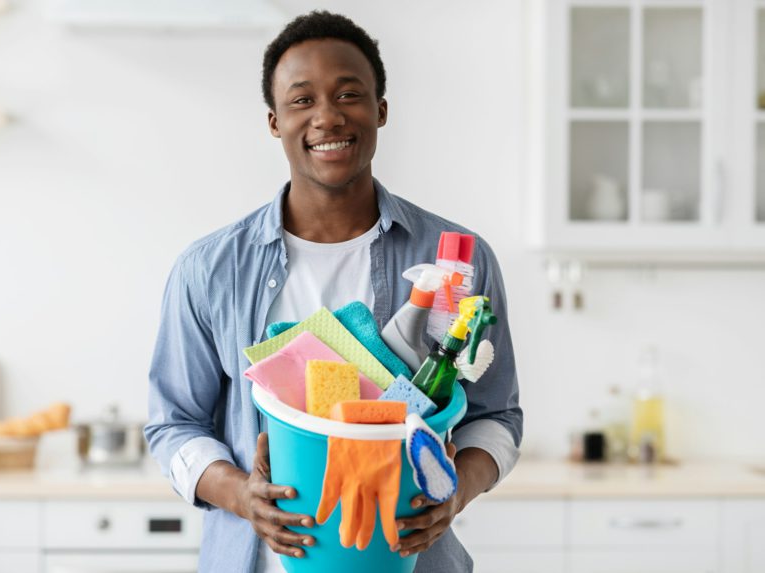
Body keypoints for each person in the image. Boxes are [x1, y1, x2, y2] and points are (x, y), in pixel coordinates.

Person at [145, 11, 522, 573]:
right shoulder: (210, 269)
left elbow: (496, 415)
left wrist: (454, 493)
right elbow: (173, 423)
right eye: (302, 100)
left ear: (381, 111)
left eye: (349, 94)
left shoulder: (458, 261)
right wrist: (241, 495)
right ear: (274, 122)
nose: (327, 116)